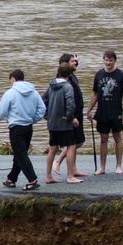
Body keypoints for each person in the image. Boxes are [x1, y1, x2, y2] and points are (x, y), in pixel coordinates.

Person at [0, 68, 46, 190]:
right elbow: (42, 109)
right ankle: (11, 179)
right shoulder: (34, 92)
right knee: (20, 153)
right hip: (28, 127)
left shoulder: (10, 93)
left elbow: (2, 110)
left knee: (21, 154)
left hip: (16, 128)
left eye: (10, 80)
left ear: (12, 79)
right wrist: (34, 119)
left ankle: (32, 180)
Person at [44, 55, 86, 184]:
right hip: (65, 123)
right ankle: (70, 176)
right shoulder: (68, 86)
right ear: (69, 74)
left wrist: (46, 115)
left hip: (52, 123)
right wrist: (71, 118)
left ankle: (48, 176)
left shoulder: (51, 85)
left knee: (53, 148)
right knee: (71, 146)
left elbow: (43, 101)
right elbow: (70, 104)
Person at [88, 49, 123, 175]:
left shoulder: (121, 75)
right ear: (103, 60)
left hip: (116, 110)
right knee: (103, 139)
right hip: (102, 112)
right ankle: (102, 167)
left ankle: (118, 165)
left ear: (114, 61)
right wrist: (89, 109)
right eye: (106, 60)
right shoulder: (99, 74)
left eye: (110, 60)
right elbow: (95, 93)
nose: (108, 63)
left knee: (117, 137)